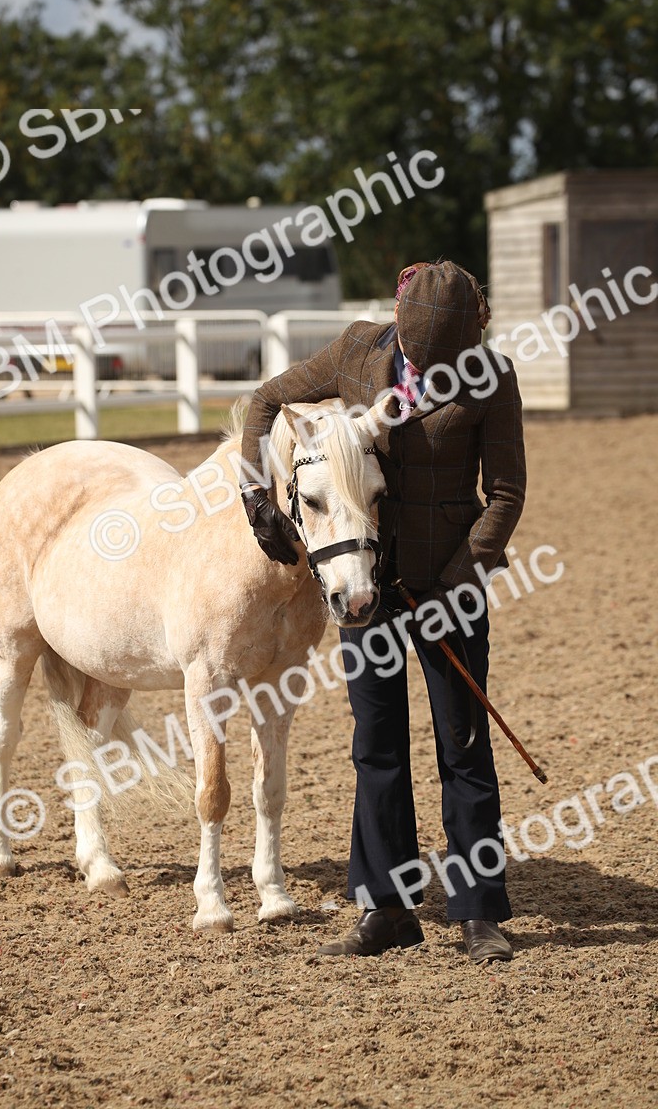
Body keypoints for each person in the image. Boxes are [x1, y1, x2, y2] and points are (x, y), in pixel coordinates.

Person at [238, 259, 526, 963]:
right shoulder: (356, 351)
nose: (432, 372)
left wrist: (458, 578)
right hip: (362, 583)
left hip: (447, 592)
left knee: (462, 747)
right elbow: (265, 402)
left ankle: (478, 913)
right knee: (377, 748)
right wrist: (257, 499)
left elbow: (507, 494)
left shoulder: (494, 378)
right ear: (397, 324)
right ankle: (387, 910)